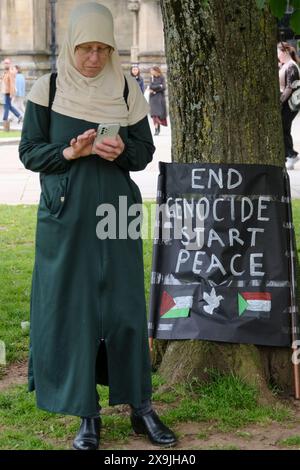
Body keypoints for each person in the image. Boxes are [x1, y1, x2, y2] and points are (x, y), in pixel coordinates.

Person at [19, 2, 176, 451]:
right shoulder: (46, 89)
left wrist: (118, 151)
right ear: (72, 46)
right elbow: (29, 152)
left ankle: (140, 406)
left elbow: (143, 151)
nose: (93, 57)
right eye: (86, 48)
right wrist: (70, 154)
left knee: (125, 306)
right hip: (65, 211)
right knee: (75, 306)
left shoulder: (125, 89)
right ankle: (86, 412)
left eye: (102, 49)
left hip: (117, 211)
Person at [277, 42, 300, 170]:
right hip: (287, 104)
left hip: (289, 104)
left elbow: (289, 87)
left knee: (283, 129)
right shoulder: (286, 65)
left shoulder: (291, 66)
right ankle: (289, 155)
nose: (277, 55)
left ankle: (291, 155)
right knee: (284, 129)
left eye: (278, 52)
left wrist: (280, 101)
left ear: (284, 52)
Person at [1, 58, 22, 131]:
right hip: (5, 91)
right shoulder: (6, 72)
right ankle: (19, 116)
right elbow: (3, 80)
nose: (5, 64)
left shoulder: (10, 72)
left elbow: (12, 84)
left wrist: (11, 93)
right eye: (5, 63)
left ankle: (4, 120)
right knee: (9, 106)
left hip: (8, 92)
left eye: (7, 63)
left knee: (6, 106)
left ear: (10, 64)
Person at [149, 66, 167, 136]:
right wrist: (159, 86)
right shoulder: (151, 78)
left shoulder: (162, 77)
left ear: (156, 71)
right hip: (153, 98)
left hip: (160, 98)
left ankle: (158, 128)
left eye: (152, 70)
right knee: (154, 115)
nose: (151, 72)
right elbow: (151, 86)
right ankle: (156, 129)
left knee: (158, 115)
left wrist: (155, 90)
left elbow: (164, 87)